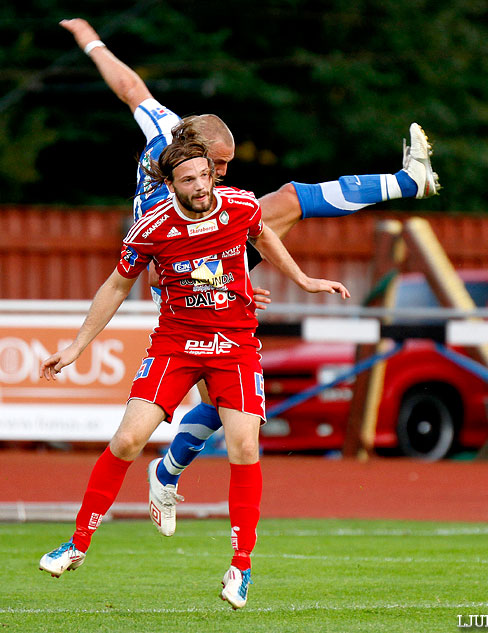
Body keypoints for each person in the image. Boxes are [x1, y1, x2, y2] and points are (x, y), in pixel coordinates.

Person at [60, 18, 441, 537]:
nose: (220, 176)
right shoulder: (171, 152)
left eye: (223, 166)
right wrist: (220, 284)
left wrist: (91, 40)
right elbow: (129, 89)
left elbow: (130, 86)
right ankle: (166, 471)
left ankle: (407, 181)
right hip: (176, 277)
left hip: (212, 257)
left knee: (284, 205)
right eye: (218, 165)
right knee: (219, 396)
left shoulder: (176, 141)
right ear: (191, 149)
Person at [38, 134, 350, 610]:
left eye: (206, 175)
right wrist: (78, 346)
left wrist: (303, 280)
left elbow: (263, 234)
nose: (203, 186)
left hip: (235, 346)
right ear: (169, 184)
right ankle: (76, 544)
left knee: (245, 445)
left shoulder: (239, 204)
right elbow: (116, 286)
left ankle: (241, 567)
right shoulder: (152, 226)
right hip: (176, 343)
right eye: (189, 179)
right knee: (126, 440)